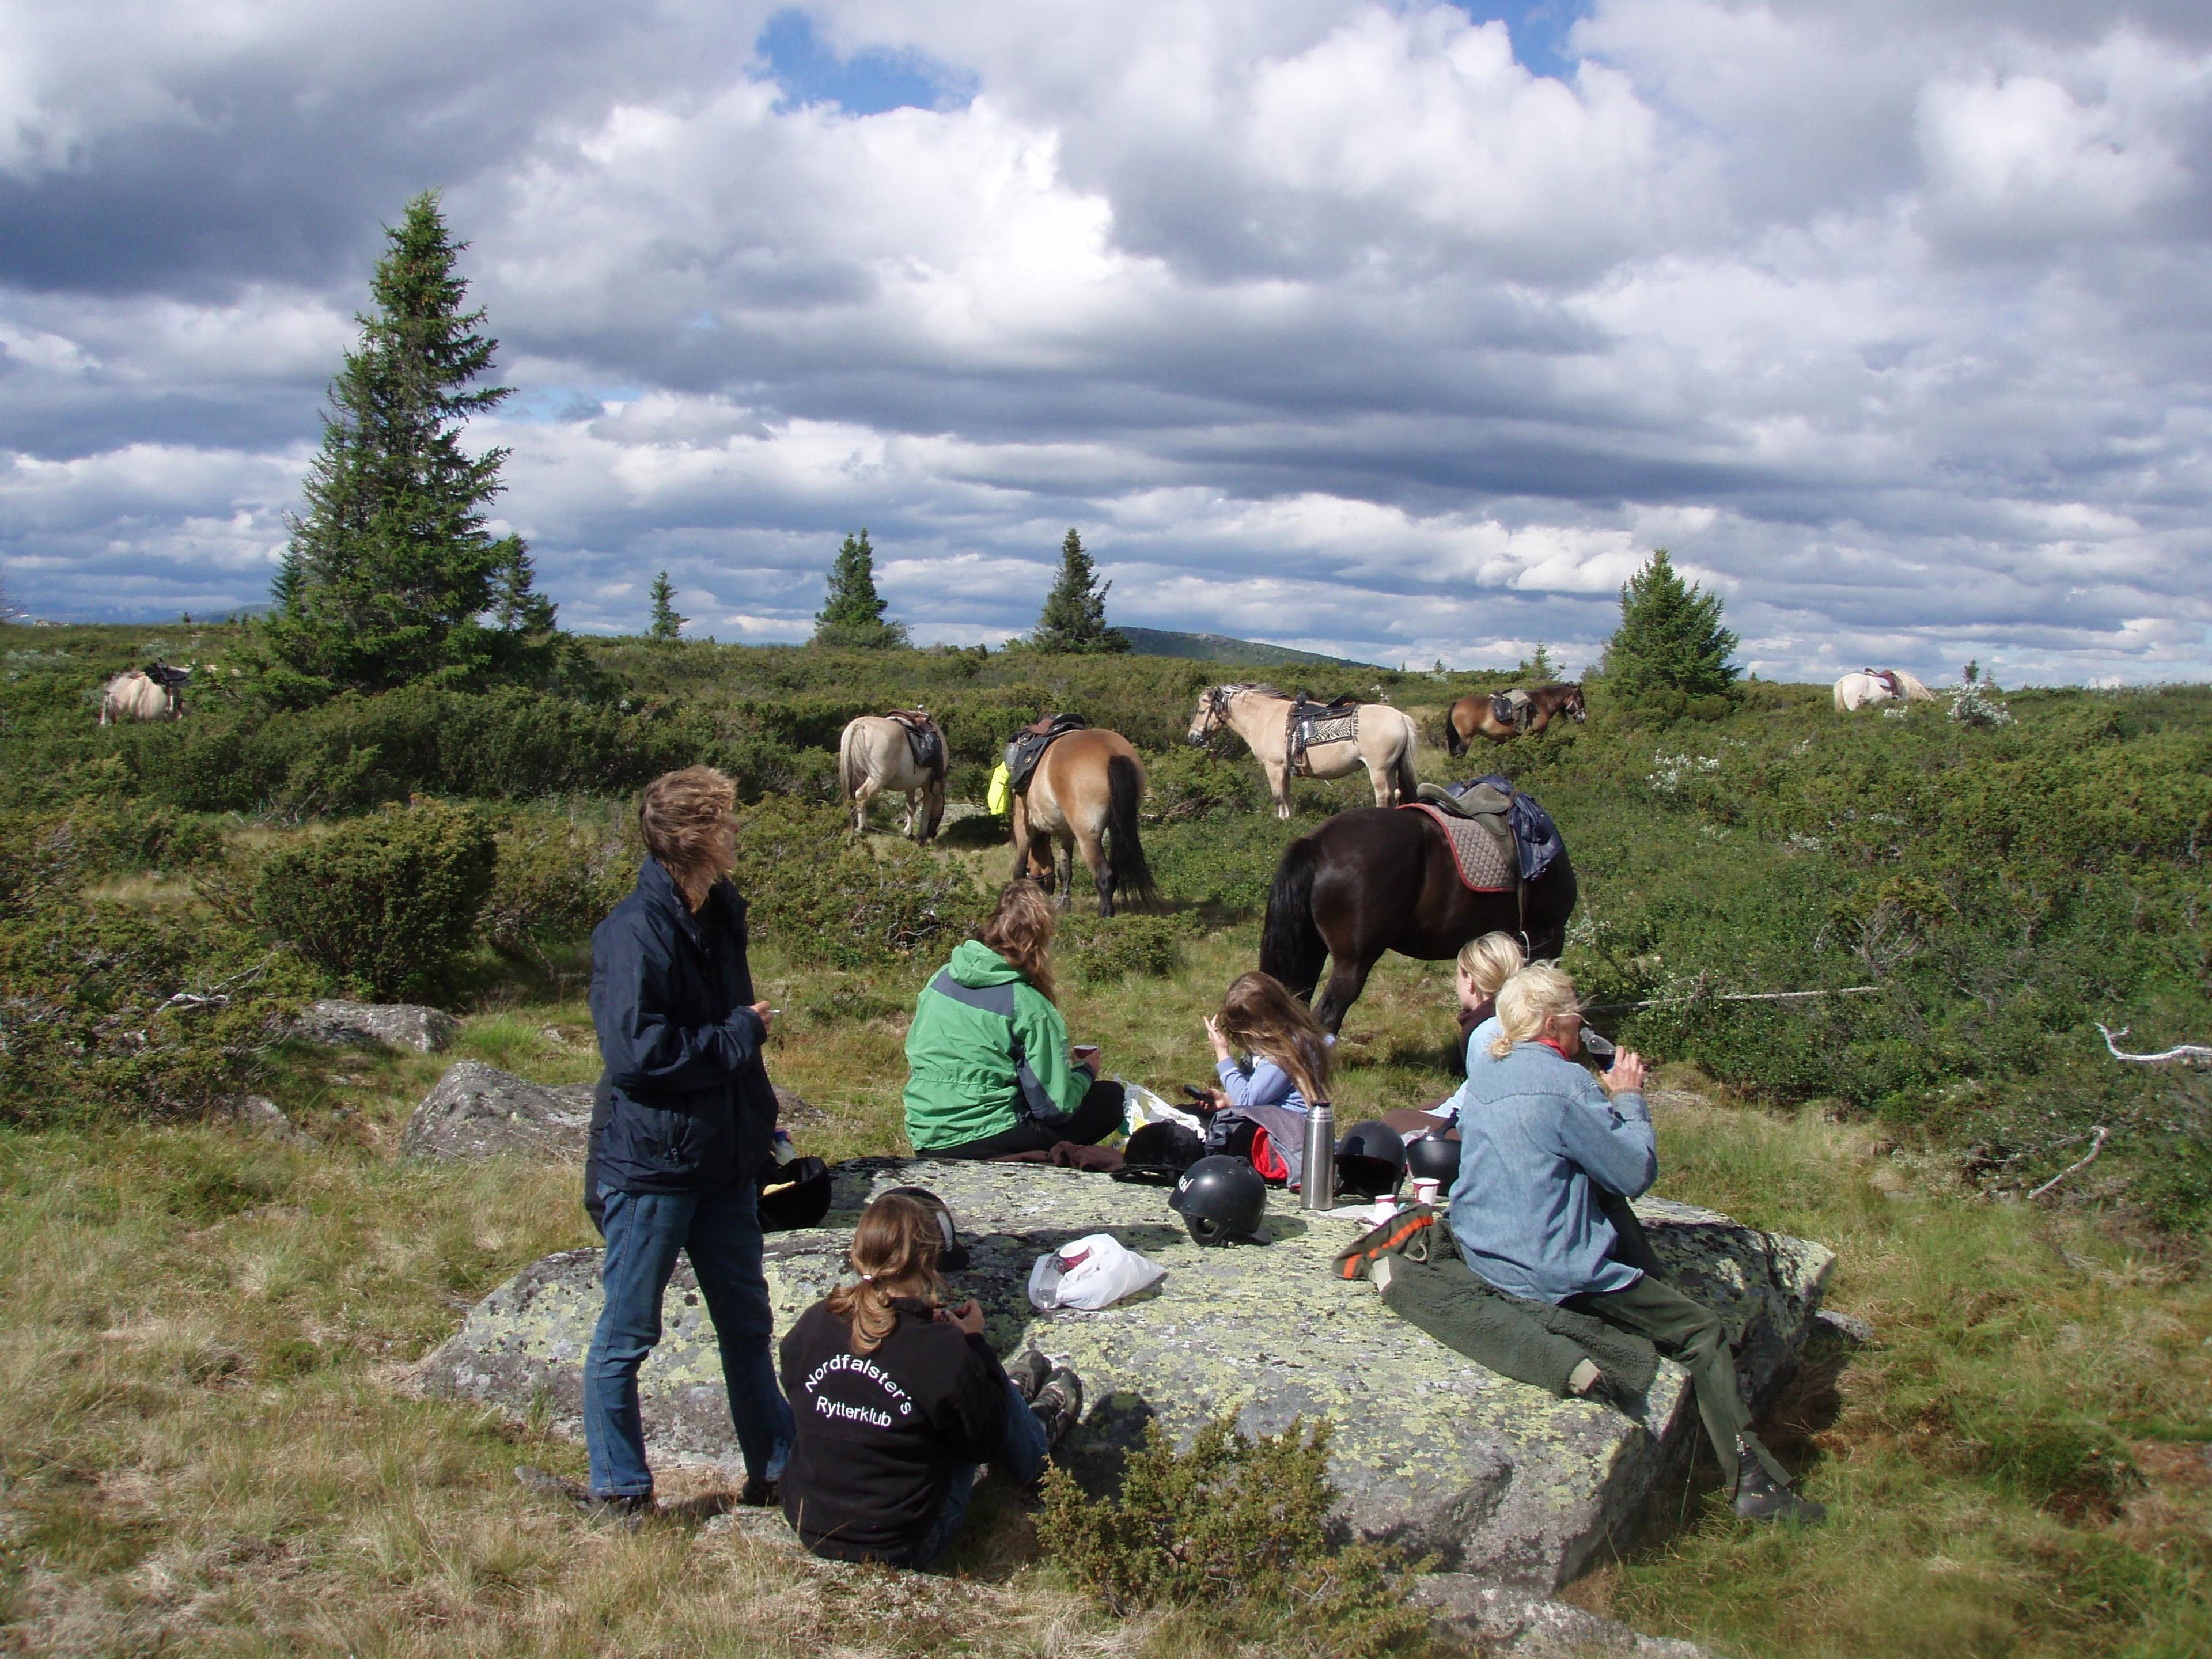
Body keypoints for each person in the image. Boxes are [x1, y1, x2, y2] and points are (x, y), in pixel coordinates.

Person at [1448, 963, 1827, 1525]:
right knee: (1701, 1332)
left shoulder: (1485, 1075)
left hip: (1483, 1251)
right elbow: (1632, 1173)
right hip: (1546, 1269)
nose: (1582, 1026)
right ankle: (1754, 1484)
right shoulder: (1568, 1084)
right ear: (1553, 1024)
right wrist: (1627, 1097)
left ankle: (1649, 1286)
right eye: (1577, 1016)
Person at [559, 767, 794, 1515]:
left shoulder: (719, 913)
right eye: (724, 821)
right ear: (694, 838)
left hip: (722, 1163)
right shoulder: (633, 931)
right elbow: (638, 1056)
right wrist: (739, 1034)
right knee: (628, 1333)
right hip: (653, 1169)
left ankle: (779, 1472)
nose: (736, 831)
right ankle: (621, 1492)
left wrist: (757, 1121)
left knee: (747, 1326)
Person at [779, 1191, 1084, 1565]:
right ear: (928, 1261)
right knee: (967, 1399)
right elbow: (984, 1444)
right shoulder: (943, 1350)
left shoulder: (816, 1322)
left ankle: (1004, 1392)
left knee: (951, 1391)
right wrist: (974, 1346)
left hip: (809, 1523)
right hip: (900, 1545)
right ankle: (1034, 1446)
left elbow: (798, 1390)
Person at [904, 880, 1125, 1157]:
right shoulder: (1028, 1005)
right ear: (1039, 942)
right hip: (981, 1137)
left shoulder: (942, 978)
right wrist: (1086, 1071)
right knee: (1111, 1098)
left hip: (925, 1132)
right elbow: (1054, 1108)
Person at [1383, 931, 1524, 1141]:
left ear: (1471, 981)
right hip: (1479, 1116)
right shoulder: (1511, 1019)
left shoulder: (1487, 1032)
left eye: (1458, 975)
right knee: (1422, 1109)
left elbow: (1488, 1105)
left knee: (1391, 1121)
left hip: (1483, 1132)